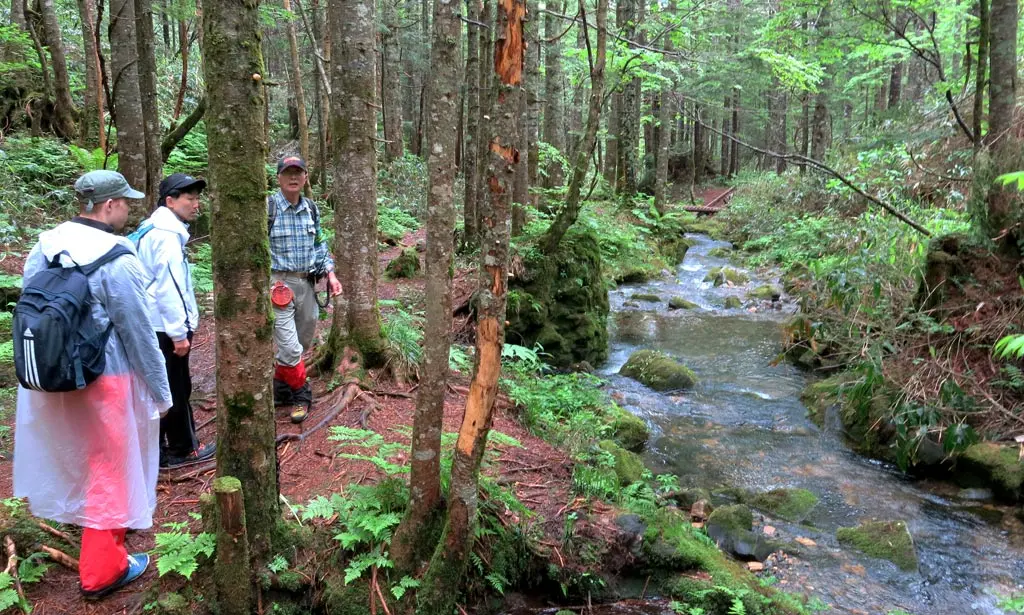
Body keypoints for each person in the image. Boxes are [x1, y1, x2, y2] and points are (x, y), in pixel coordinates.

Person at [13, 170, 171, 598]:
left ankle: (97, 540)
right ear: (106, 206)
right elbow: (138, 333)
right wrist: (161, 393)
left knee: (83, 459)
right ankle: (102, 570)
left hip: (51, 378)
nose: (127, 207)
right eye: (123, 201)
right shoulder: (117, 258)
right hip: (106, 379)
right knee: (109, 469)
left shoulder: (46, 245)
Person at [133, 173, 215, 469]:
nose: (196, 204)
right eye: (189, 199)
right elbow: (169, 287)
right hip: (164, 329)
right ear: (170, 201)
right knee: (175, 387)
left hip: (154, 326)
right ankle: (183, 448)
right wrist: (179, 333)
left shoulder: (152, 228)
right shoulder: (165, 236)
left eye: (197, 198)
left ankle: (159, 449)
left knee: (162, 386)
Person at [268, 156, 341, 423]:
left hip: (307, 283)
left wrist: (330, 275)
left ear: (306, 177)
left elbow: (320, 244)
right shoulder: (269, 207)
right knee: (289, 345)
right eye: (288, 172)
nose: (293, 177)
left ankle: (280, 385)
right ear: (279, 178)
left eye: (298, 172)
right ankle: (301, 393)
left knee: (303, 340)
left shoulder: (311, 208)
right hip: (278, 285)